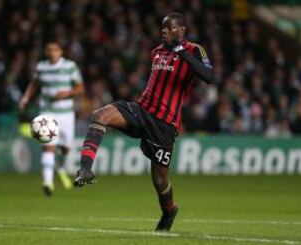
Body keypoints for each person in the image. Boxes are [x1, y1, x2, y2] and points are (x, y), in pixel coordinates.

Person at [73, 12, 214, 231]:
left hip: (164, 124)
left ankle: (169, 210)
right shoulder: (156, 52)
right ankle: (85, 169)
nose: (164, 31)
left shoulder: (195, 50)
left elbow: (209, 76)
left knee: (159, 180)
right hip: (141, 110)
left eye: (169, 27)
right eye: (163, 28)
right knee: (99, 115)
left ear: (182, 29)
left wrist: (181, 52)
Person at [19, 40, 84, 196]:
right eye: (49, 49)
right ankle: (47, 182)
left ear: (60, 52)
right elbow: (34, 83)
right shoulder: (41, 67)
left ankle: (60, 166)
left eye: (55, 49)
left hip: (66, 112)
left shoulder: (70, 66)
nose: (51, 52)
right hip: (47, 112)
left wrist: (67, 94)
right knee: (49, 145)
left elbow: (80, 87)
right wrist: (26, 97)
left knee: (66, 148)